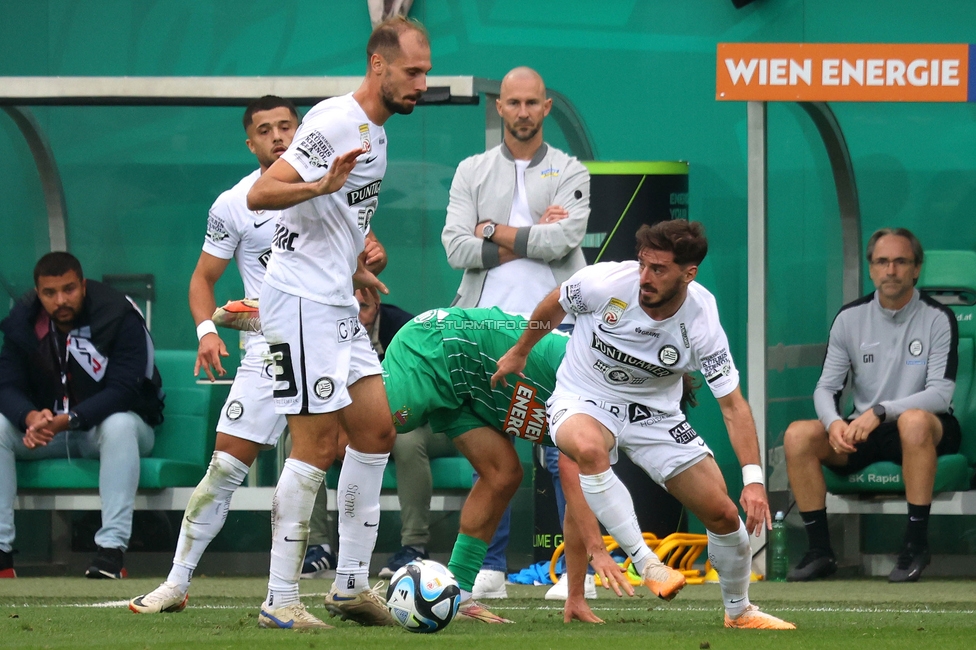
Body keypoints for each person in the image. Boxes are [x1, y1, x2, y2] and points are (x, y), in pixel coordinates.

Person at [492, 220, 796, 630]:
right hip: (584, 396)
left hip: (655, 414)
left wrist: (754, 480)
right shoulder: (606, 282)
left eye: (659, 269)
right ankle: (647, 563)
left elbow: (733, 406)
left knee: (723, 514)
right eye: (643, 265)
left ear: (689, 273)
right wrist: (520, 351)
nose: (645, 278)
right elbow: (555, 302)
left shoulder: (702, 320)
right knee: (588, 450)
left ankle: (739, 611)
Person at [245, 16, 431, 630]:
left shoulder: (376, 134)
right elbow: (264, 194)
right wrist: (319, 183)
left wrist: (356, 264)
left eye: (425, 72)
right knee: (317, 445)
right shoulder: (332, 121)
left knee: (377, 430)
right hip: (294, 303)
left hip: (334, 302)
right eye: (413, 71)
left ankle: (350, 586)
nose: (421, 83)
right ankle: (279, 598)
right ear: (378, 64)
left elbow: (336, 214)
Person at [130, 95, 304, 612]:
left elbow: (356, 259)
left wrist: (369, 258)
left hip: (330, 346)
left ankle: (315, 590)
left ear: (302, 131)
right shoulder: (234, 203)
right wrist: (208, 330)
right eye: (265, 130)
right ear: (250, 142)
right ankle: (177, 583)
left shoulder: (328, 190)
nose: (277, 136)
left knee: (334, 458)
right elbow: (203, 279)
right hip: (271, 350)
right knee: (225, 467)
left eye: (286, 126)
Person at [440, 66, 590, 599]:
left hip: (562, 326)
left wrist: (490, 230)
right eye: (514, 103)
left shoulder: (571, 169)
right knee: (493, 454)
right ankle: (490, 569)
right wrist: (533, 233)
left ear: (546, 107)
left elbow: (566, 238)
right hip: (485, 327)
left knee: (565, 450)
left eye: (532, 103)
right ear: (499, 107)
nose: (523, 112)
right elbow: (455, 247)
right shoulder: (471, 170)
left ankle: (579, 575)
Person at [784, 227, 958, 583]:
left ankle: (915, 545)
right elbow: (825, 388)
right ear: (871, 269)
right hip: (864, 429)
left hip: (928, 427)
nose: (890, 270)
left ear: (916, 269)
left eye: (900, 262)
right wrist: (834, 423)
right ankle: (820, 552)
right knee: (798, 435)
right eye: (882, 262)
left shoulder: (938, 317)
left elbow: (941, 394)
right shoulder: (850, 318)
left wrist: (879, 412)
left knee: (912, 421)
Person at [0, 252, 163, 580]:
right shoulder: (25, 320)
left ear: (83, 284)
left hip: (110, 430)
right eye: (50, 292)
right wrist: (28, 417)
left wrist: (71, 419)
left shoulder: (117, 314)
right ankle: (2, 556)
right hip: (48, 432)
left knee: (119, 425)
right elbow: (6, 382)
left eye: (69, 289)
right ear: (37, 292)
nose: (60, 300)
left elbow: (124, 390)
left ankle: (111, 552)